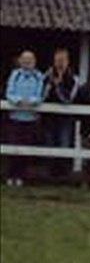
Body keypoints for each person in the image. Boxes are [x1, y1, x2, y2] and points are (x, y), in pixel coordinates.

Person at [3, 50, 44, 187]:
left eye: (30, 60)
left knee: (25, 150)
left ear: (34, 61)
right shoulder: (15, 75)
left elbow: (39, 95)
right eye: (24, 60)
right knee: (13, 148)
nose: (27, 62)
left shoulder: (39, 76)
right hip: (15, 117)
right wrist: (18, 101)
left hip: (30, 119)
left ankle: (21, 176)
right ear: (20, 61)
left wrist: (31, 102)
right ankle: (11, 175)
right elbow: (9, 93)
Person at [42, 47, 80, 181]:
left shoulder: (73, 78)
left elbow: (68, 99)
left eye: (63, 60)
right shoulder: (46, 76)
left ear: (68, 61)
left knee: (64, 144)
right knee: (49, 144)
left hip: (65, 118)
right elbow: (41, 96)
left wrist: (58, 87)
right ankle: (49, 176)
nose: (60, 63)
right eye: (58, 60)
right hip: (49, 117)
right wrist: (50, 86)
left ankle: (63, 177)